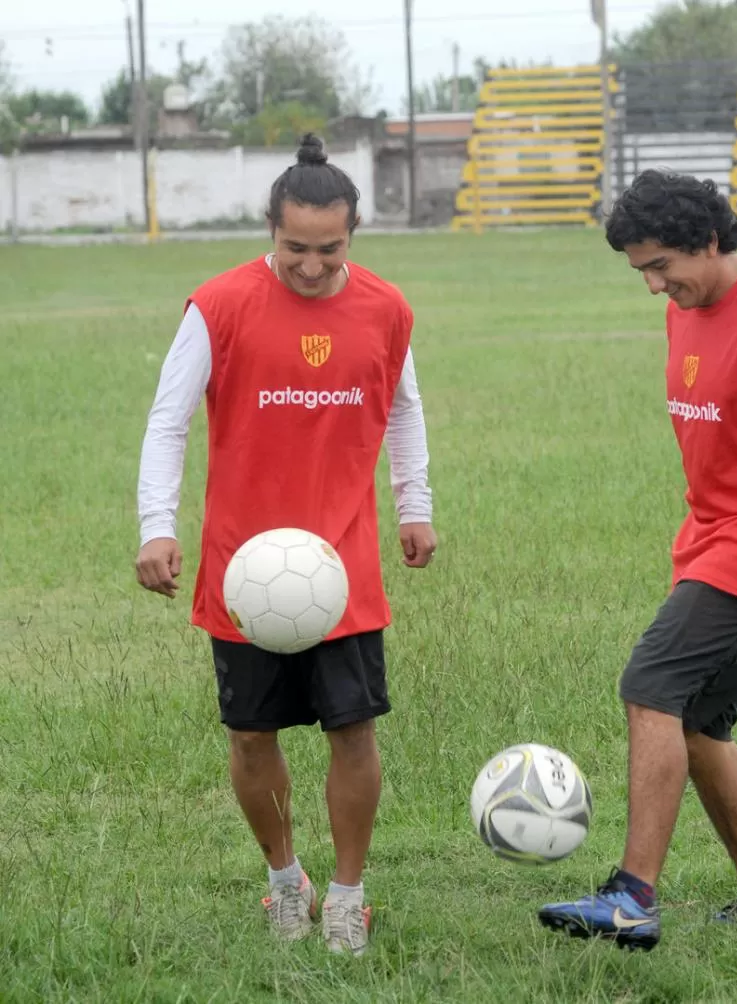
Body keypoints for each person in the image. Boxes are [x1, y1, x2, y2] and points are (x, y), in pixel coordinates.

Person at [538, 170, 737, 951]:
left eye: (661, 267)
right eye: (641, 272)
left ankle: (631, 897)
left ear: (710, 240)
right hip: (713, 544)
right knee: (698, 728)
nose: (654, 287)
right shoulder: (686, 311)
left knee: (650, 687)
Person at [134, 134, 436, 954]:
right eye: (293, 247)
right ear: (271, 227)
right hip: (244, 566)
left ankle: (346, 893)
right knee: (249, 736)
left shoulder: (385, 307)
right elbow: (169, 419)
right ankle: (282, 881)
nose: (310, 265)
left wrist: (417, 503)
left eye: (329, 249)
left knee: (354, 732)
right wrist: (155, 527)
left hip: (342, 563)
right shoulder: (219, 304)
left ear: (355, 231)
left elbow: (402, 406)